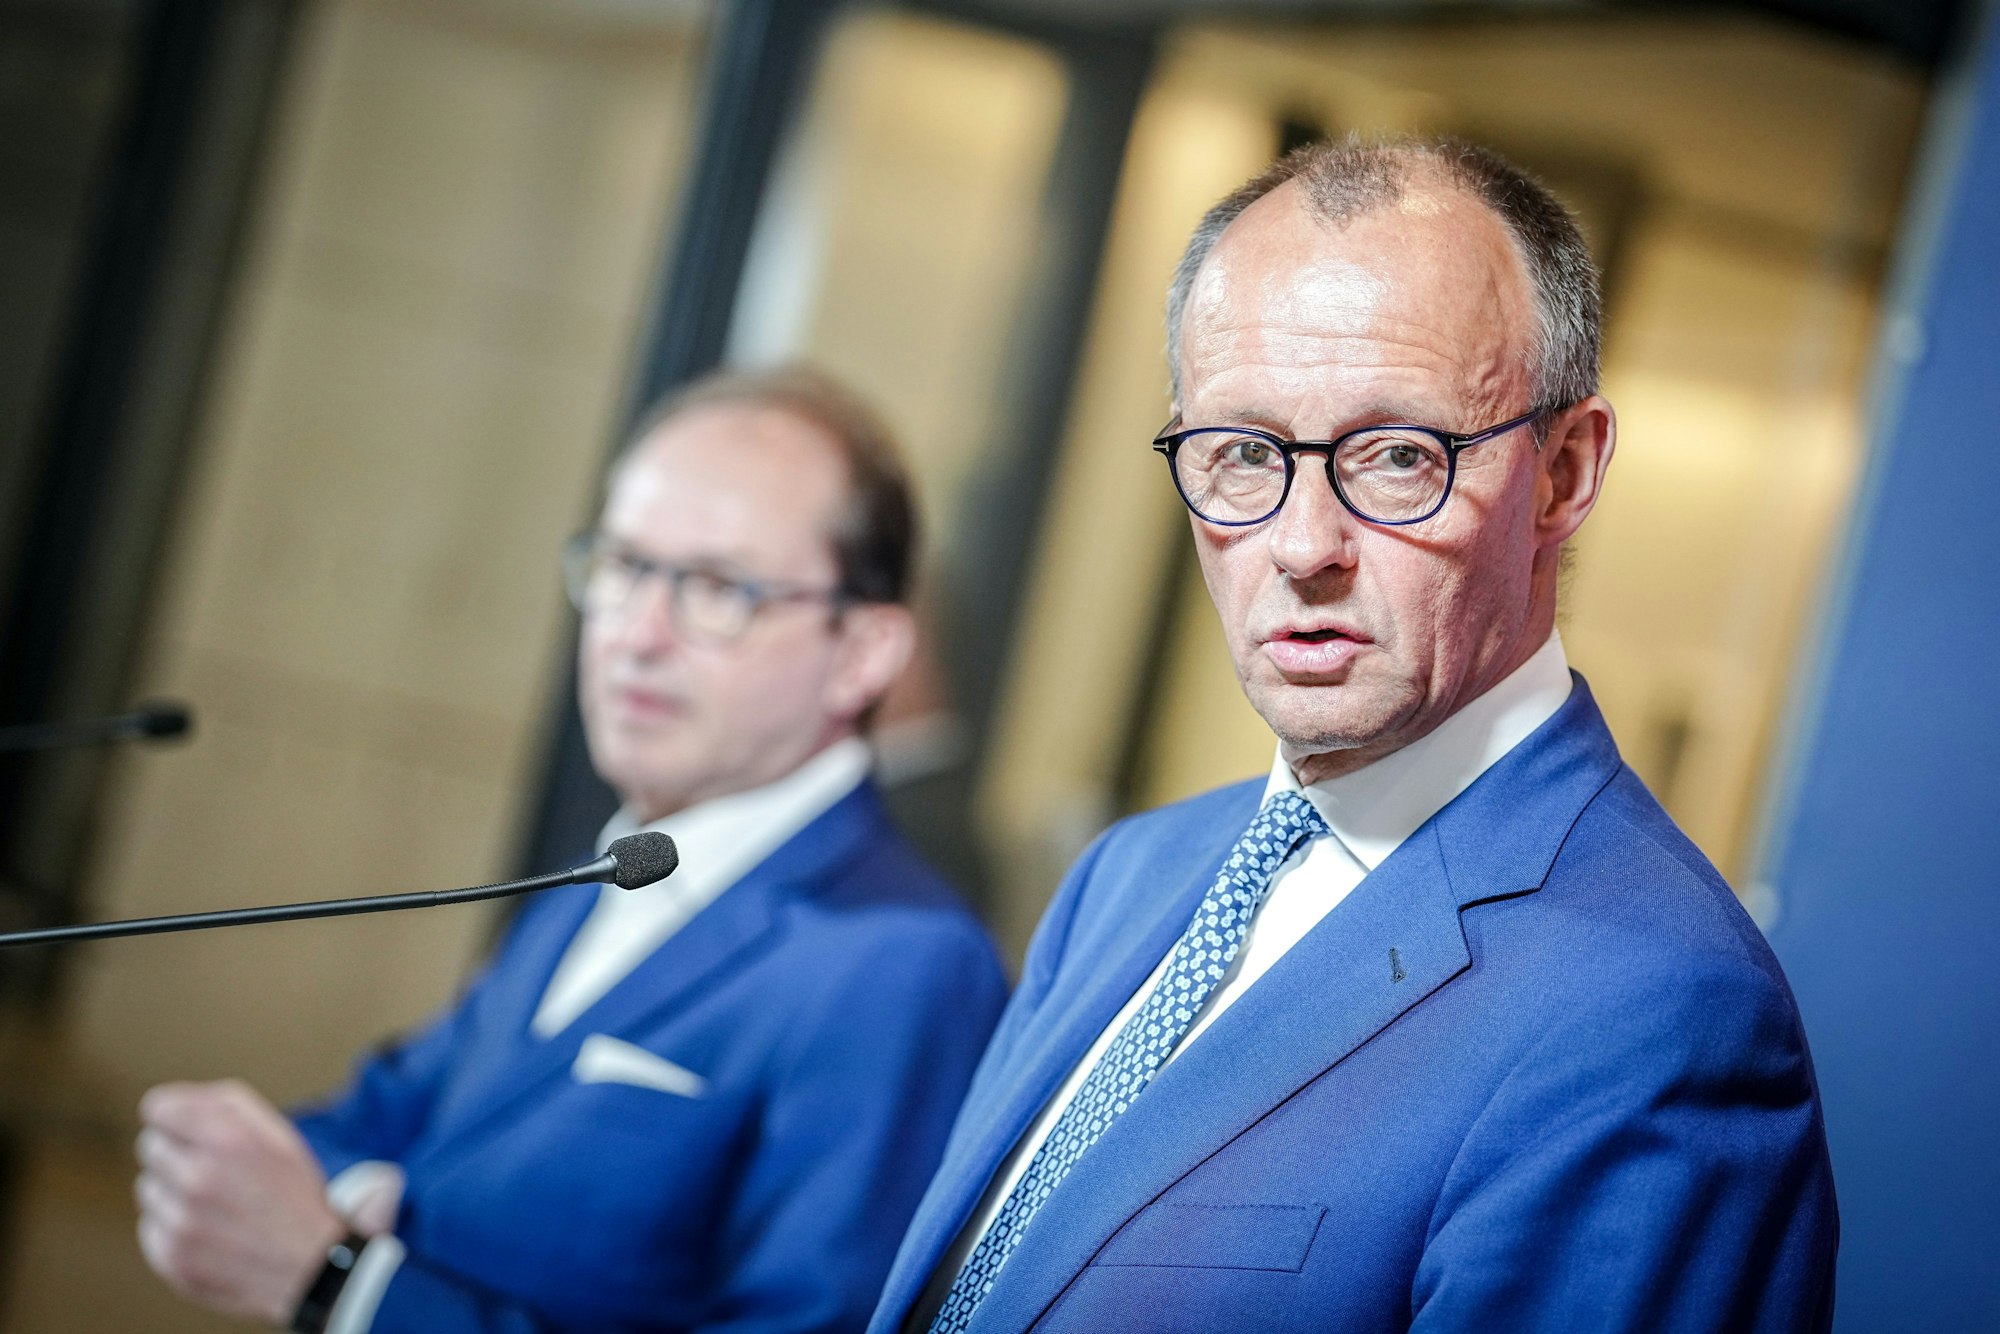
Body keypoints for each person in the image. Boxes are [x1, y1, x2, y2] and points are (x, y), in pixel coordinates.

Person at [871, 136, 1838, 1334]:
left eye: (1393, 456)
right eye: (1240, 452)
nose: (1299, 545)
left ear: (1562, 473)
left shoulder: (1652, 1014)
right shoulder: (1131, 876)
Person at [134, 367, 1010, 1333]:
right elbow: (360, 1125)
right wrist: (367, 1197)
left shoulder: (900, 964)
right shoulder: (610, 869)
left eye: (719, 588)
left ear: (863, 653)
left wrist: (347, 1281)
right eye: (625, 568)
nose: (635, 635)